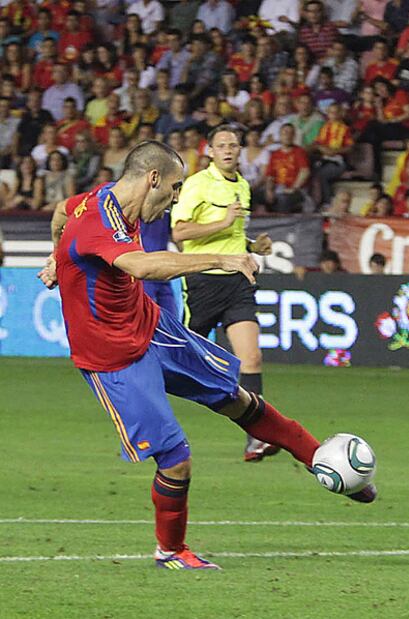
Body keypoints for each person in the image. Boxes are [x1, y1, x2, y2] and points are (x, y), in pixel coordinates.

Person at [39, 140, 375, 571]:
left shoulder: (102, 198)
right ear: (153, 179)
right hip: (112, 356)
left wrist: (56, 255)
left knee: (239, 399)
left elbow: (61, 212)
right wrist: (224, 258)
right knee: (176, 459)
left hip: (152, 327)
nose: (176, 198)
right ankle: (170, 551)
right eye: (175, 188)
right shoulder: (99, 224)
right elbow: (141, 266)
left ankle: (321, 460)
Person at [170, 124, 279, 462]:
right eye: (222, 145)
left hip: (237, 281)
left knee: (252, 358)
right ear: (210, 151)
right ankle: (139, 422)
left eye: (234, 144)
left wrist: (251, 245)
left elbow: (232, 236)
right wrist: (222, 222)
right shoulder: (197, 184)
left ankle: (256, 439)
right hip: (202, 280)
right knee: (176, 362)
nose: (229, 150)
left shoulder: (243, 186)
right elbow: (179, 232)